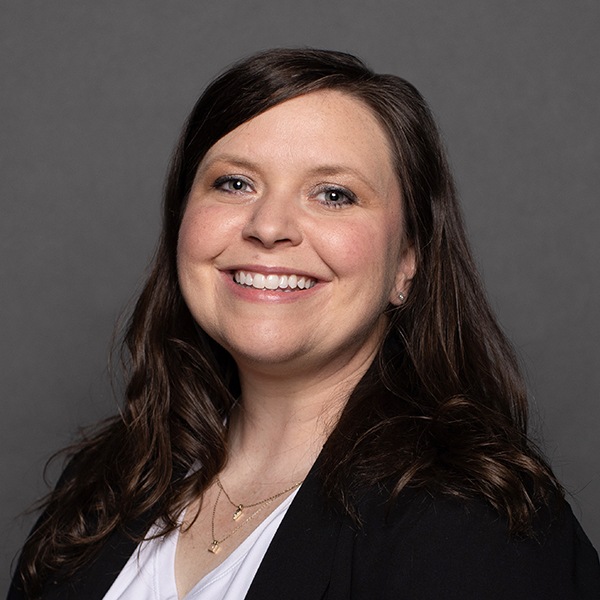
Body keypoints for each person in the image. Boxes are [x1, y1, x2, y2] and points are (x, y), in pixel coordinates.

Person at [8, 48, 600, 600]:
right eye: (234, 183)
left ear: (407, 263)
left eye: (334, 194)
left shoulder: (474, 524)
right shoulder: (107, 479)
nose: (268, 226)